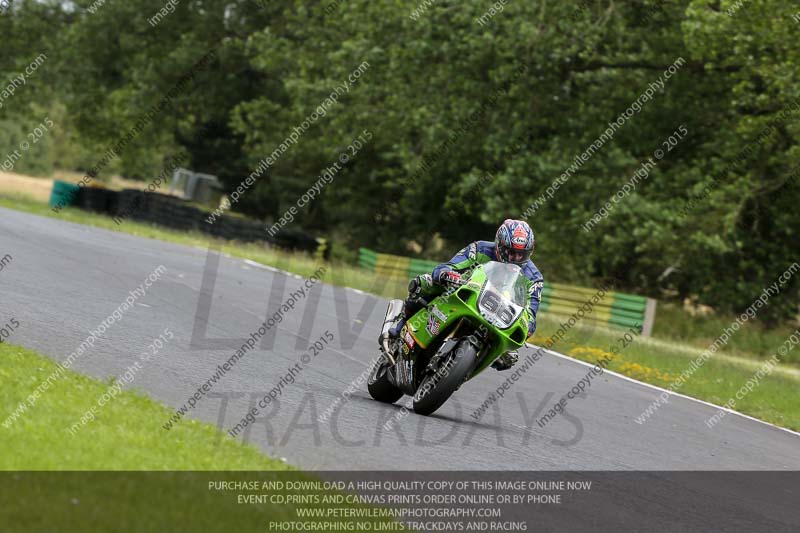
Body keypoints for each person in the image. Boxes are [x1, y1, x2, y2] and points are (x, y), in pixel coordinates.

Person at [385, 219, 544, 371]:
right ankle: (399, 325)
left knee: (510, 355)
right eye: (510, 252)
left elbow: (530, 313)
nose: (514, 258)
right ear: (499, 245)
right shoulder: (480, 249)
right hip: (463, 293)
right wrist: (447, 274)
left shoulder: (534, 278)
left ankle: (475, 362)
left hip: (497, 314)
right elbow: (448, 266)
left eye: (521, 254)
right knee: (425, 283)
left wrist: (526, 329)